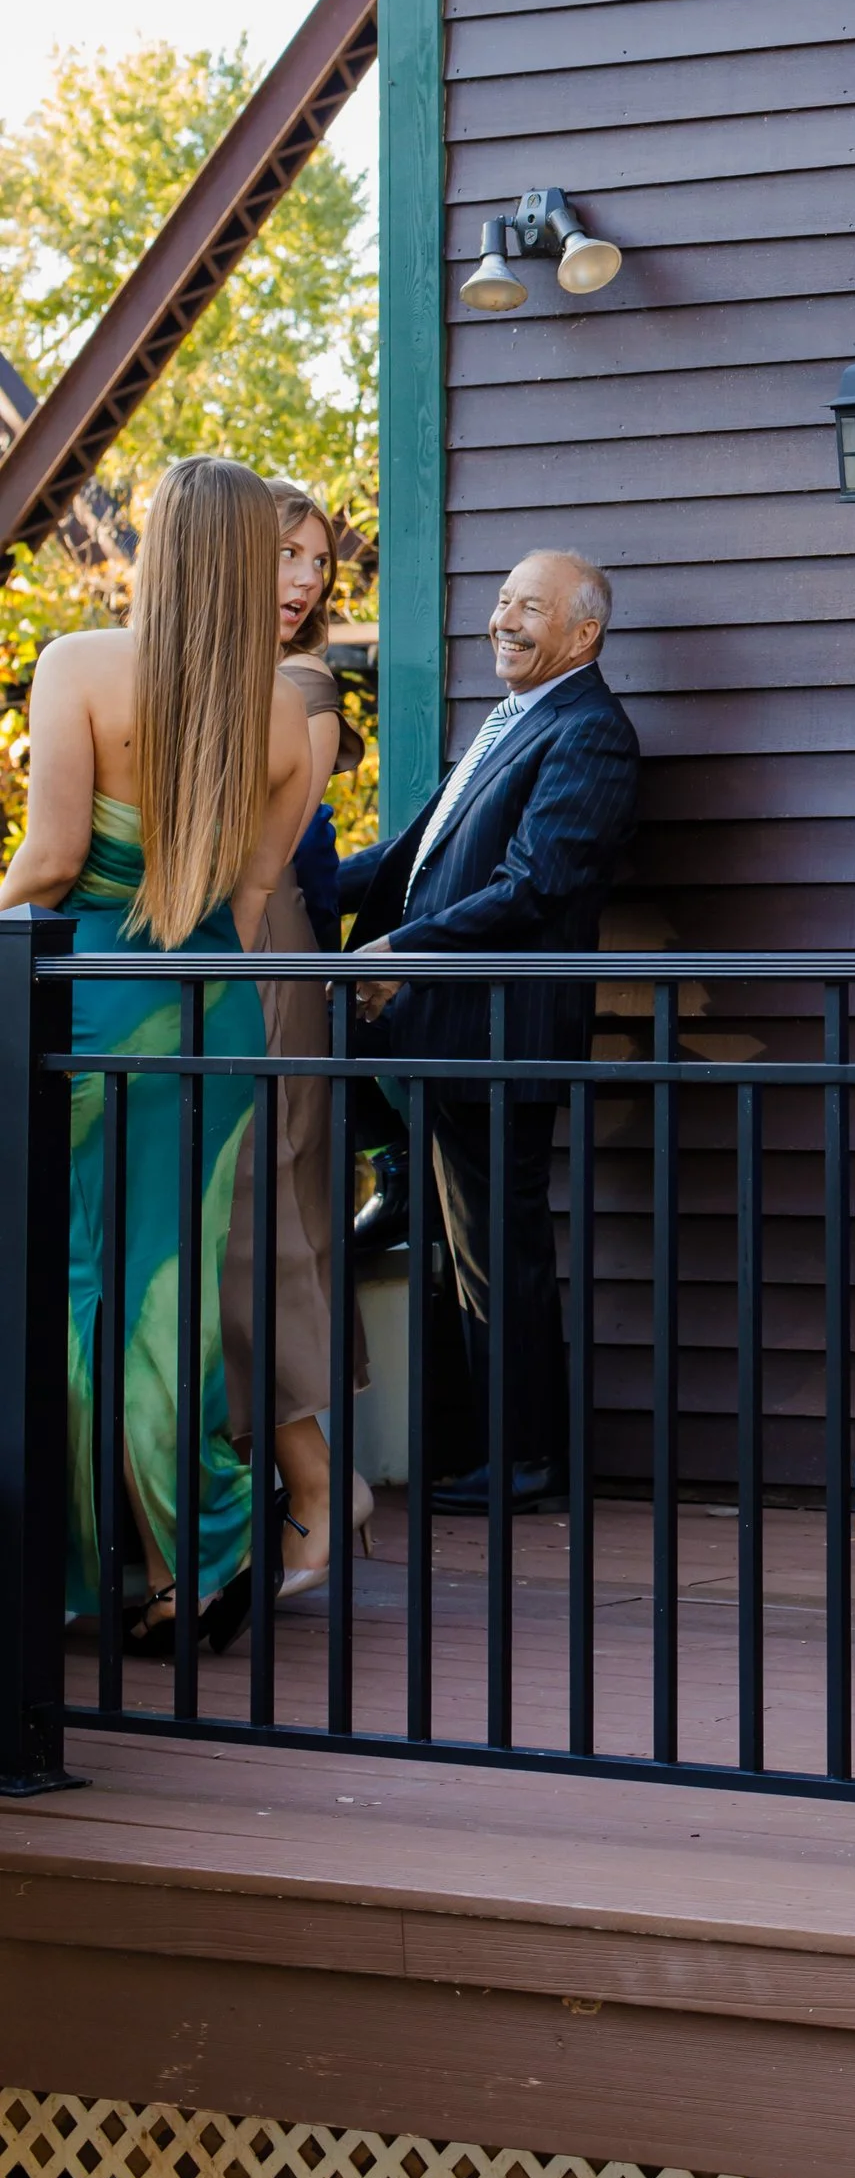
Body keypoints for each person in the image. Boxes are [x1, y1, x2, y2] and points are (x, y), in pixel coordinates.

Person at [0, 455, 309, 1649]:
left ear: (161, 545)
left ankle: (74, 1564)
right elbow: (246, 904)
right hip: (209, 1014)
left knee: (70, 1287)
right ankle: (206, 1560)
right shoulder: (290, 716)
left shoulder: (80, 665)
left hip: (77, 1008)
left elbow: (48, 864)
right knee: (164, 1296)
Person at [341, 550, 639, 1515]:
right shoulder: (514, 719)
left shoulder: (589, 730)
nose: (504, 621)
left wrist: (399, 949)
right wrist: (292, 891)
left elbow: (535, 885)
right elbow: (415, 853)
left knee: (496, 1252)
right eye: (502, 601)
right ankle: (475, 1445)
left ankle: (524, 1459)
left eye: (531, 608)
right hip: (440, 1034)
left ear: (583, 633)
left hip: (497, 1035)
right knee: (456, 1245)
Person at [218, 476, 372, 1601]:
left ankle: (315, 1483)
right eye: (286, 556)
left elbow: (257, 853)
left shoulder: (302, 683)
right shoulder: (198, 671)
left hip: (263, 949)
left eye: (317, 561)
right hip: (206, 944)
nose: (307, 580)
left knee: (261, 1221)